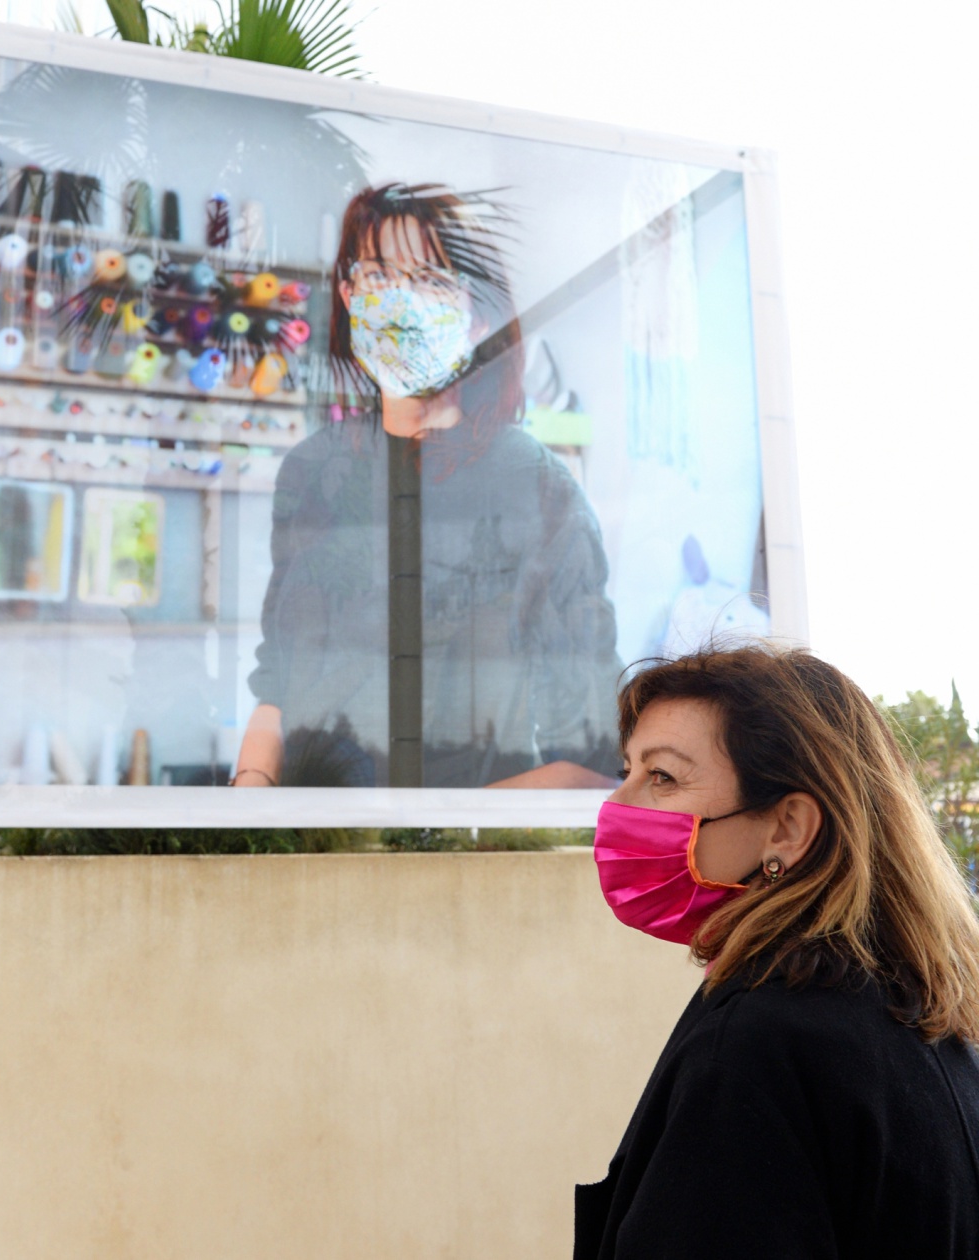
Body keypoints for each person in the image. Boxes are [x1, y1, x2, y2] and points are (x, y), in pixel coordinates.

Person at [579, 645, 979, 1259]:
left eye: (662, 777)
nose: (617, 806)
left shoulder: (757, 1043)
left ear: (788, 827)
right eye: (626, 770)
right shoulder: (922, 1015)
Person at [233, 183, 621, 788]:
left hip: (472, 857)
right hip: (320, 849)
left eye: (430, 280)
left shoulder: (537, 487)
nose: (399, 301)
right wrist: (253, 797)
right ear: (346, 293)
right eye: (379, 275)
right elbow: (277, 686)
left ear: (477, 316)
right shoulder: (314, 471)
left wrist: (445, 835)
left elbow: (594, 758)